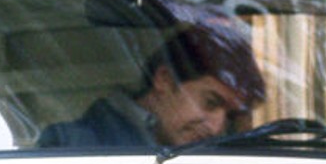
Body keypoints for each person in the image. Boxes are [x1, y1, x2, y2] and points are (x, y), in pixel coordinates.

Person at [37, 26, 266, 149]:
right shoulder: (71, 144)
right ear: (164, 80)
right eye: (210, 102)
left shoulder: (223, 155)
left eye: (231, 116)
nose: (217, 127)